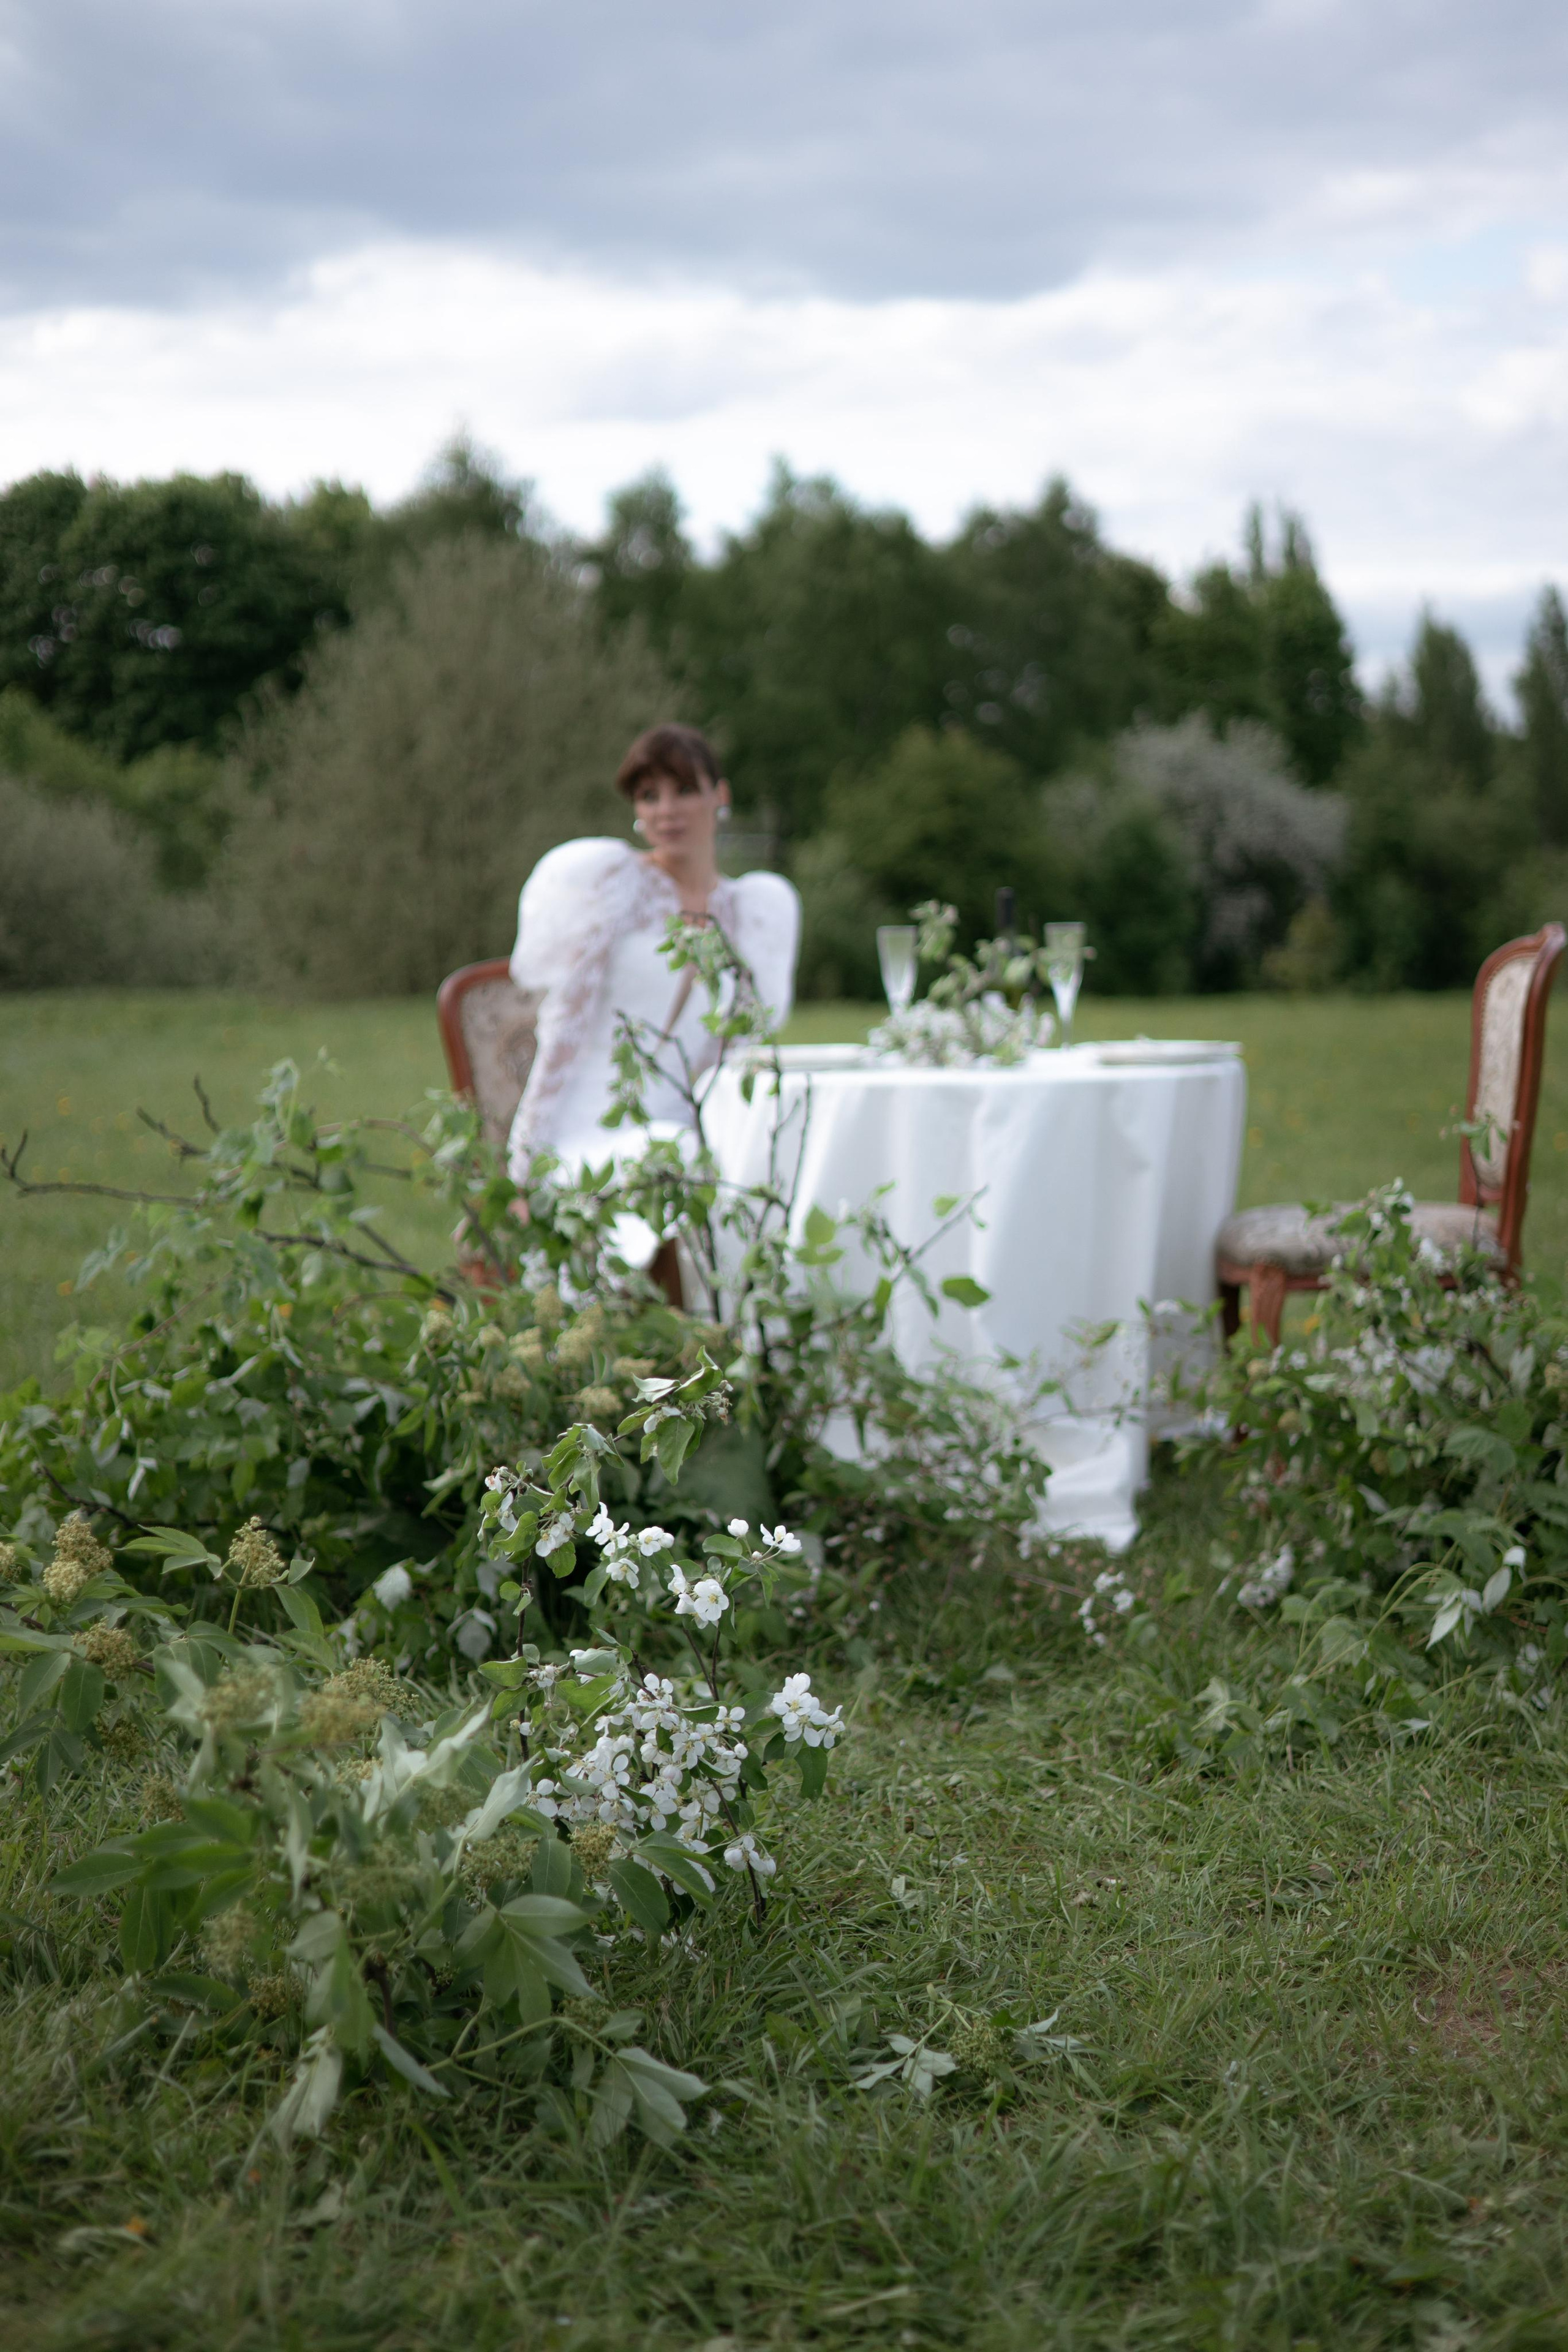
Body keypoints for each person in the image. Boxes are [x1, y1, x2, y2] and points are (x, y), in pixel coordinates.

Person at [506, 724, 800, 1227]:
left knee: (776, 1171)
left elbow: (742, 1046)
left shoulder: (751, 909)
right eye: (649, 795)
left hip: (696, 1129)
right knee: (673, 1158)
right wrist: (523, 1172)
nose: (667, 810)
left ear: (719, 796)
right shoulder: (611, 884)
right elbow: (562, 1033)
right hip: (593, 1129)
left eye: (684, 790)